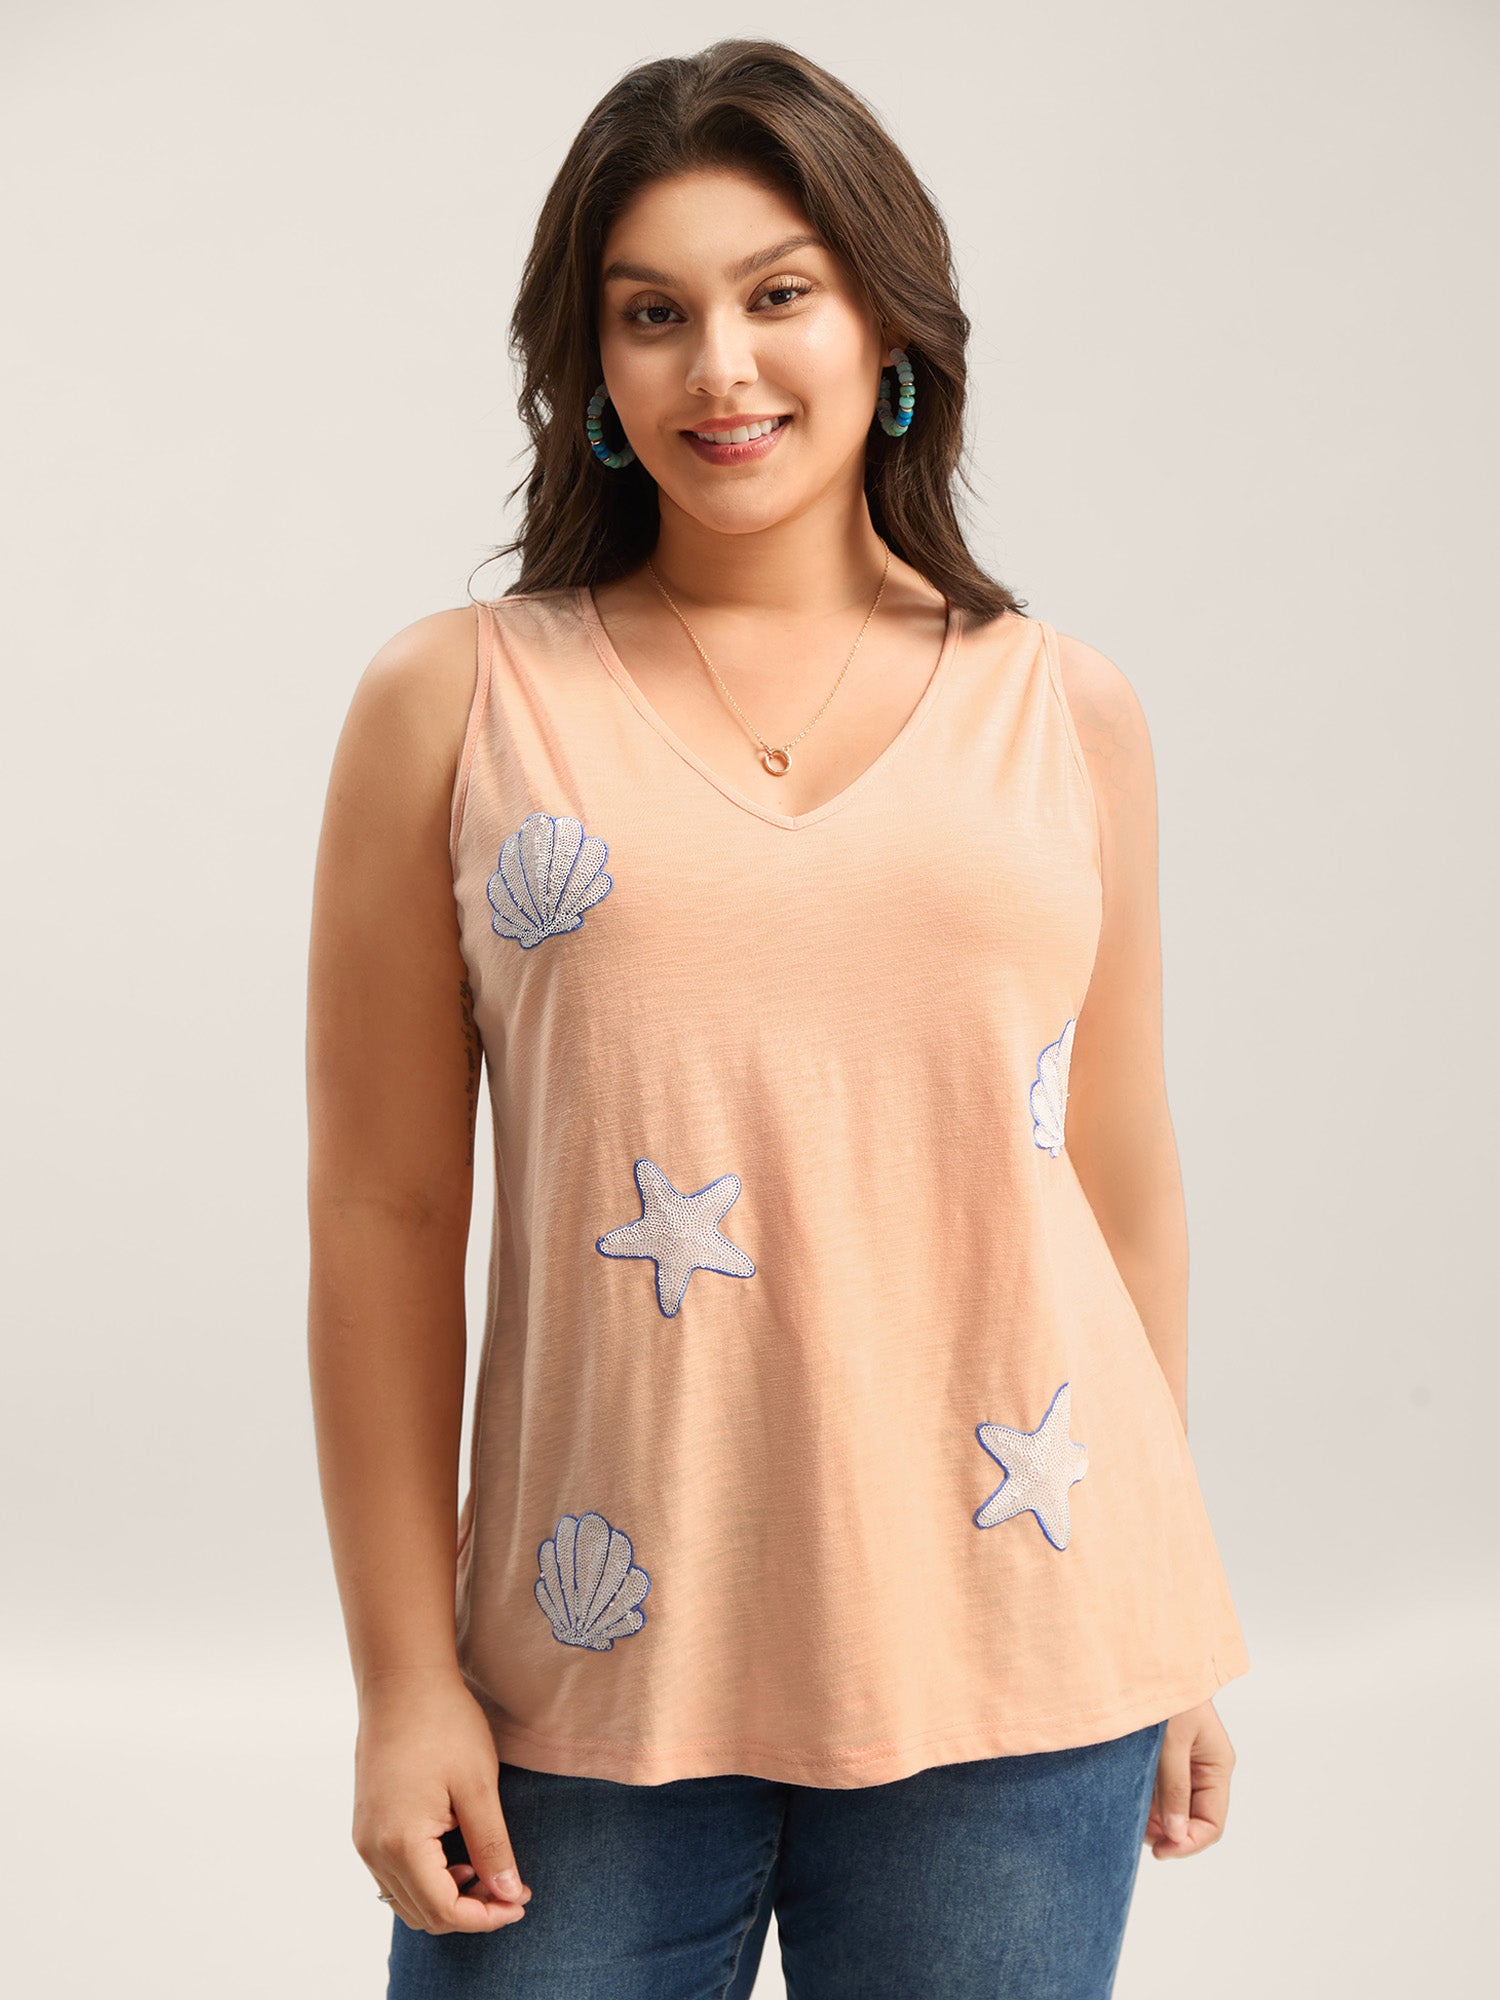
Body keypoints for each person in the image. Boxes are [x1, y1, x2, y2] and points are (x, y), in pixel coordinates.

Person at [306, 37, 1250, 2000]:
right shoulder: (459, 704)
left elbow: (1123, 1179)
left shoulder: (1064, 711)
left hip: (1025, 1663)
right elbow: (384, 1214)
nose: (718, 369)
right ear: (590, 368)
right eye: (651, 313)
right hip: (580, 1684)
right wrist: (404, 1680)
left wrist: (1171, 1626)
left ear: (887, 326)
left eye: (778, 295)